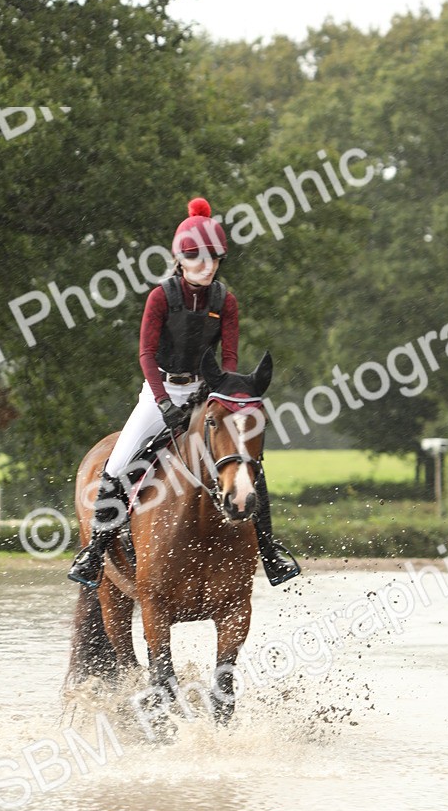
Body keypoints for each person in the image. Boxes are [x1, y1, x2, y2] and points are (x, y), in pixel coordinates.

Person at [68, 197, 301, 590]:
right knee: (117, 464)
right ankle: (96, 552)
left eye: (213, 259)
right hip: (158, 393)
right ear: (181, 260)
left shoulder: (225, 300)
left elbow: (228, 357)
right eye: (197, 258)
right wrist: (162, 403)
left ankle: (269, 554)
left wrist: (218, 394)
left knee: (245, 463)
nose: (207, 266)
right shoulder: (161, 297)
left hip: (205, 393)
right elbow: (145, 353)